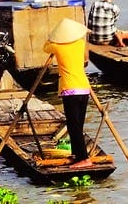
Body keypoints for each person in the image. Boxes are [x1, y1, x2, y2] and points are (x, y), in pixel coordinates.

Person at [44, 18, 96, 169]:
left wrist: (52, 38)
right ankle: (77, 154)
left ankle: (84, 159)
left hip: (70, 90)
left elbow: (45, 47)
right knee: (78, 125)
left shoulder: (57, 47)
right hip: (84, 88)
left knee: (73, 126)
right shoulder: (80, 44)